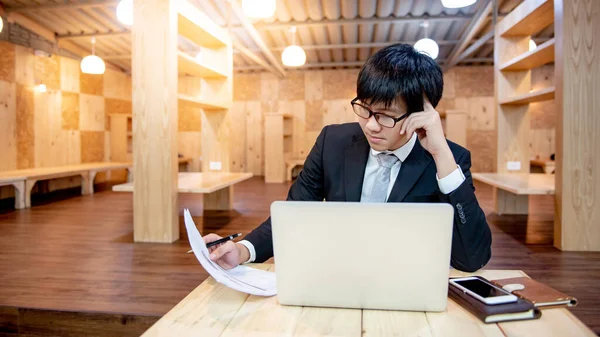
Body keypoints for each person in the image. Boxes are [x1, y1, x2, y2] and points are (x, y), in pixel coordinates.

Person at [203, 43, 492, 272]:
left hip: (406, 278)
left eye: (386, 116)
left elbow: (472, 258)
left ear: (420, 115)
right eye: (365, 109)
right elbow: (295, 213)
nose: (371, 125)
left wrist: (441, 155)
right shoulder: (334, 142)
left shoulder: (449, 159)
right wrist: (243, 250)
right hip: (337, 271)